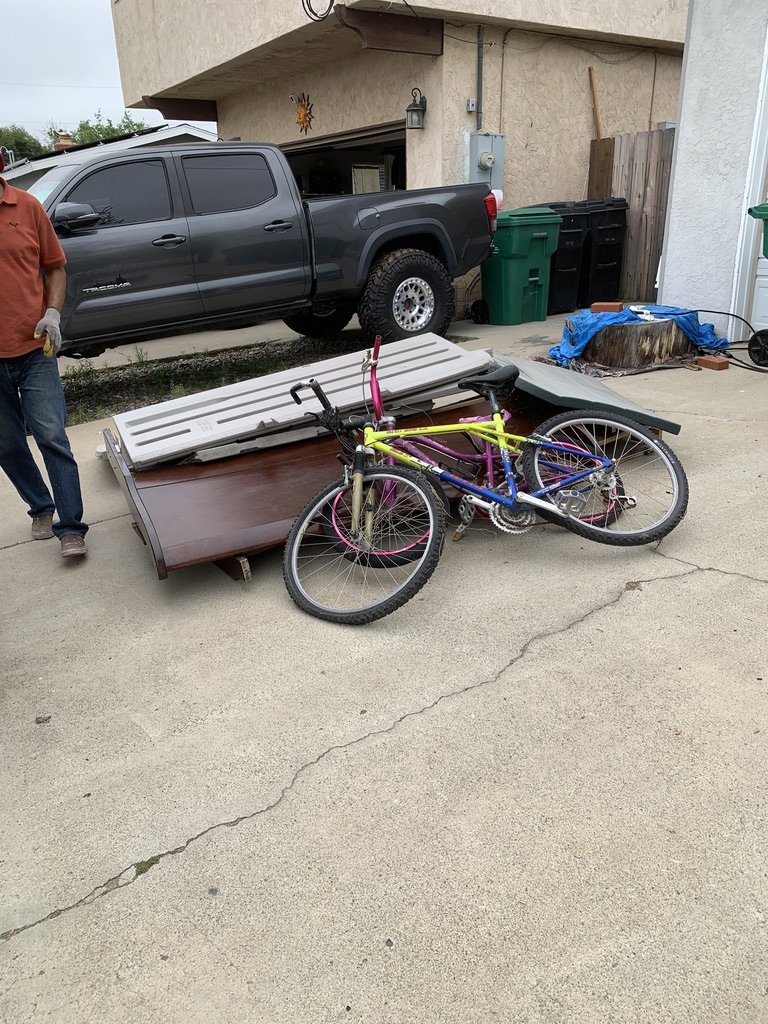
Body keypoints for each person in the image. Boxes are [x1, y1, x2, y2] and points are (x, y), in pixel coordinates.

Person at [0, 166, 88, 558]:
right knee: (6, 443)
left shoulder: (28, 206)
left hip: (35, 348)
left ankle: (71, 527)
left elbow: (54, 266)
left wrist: (53, 313)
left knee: (52, 436)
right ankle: (40, 505)